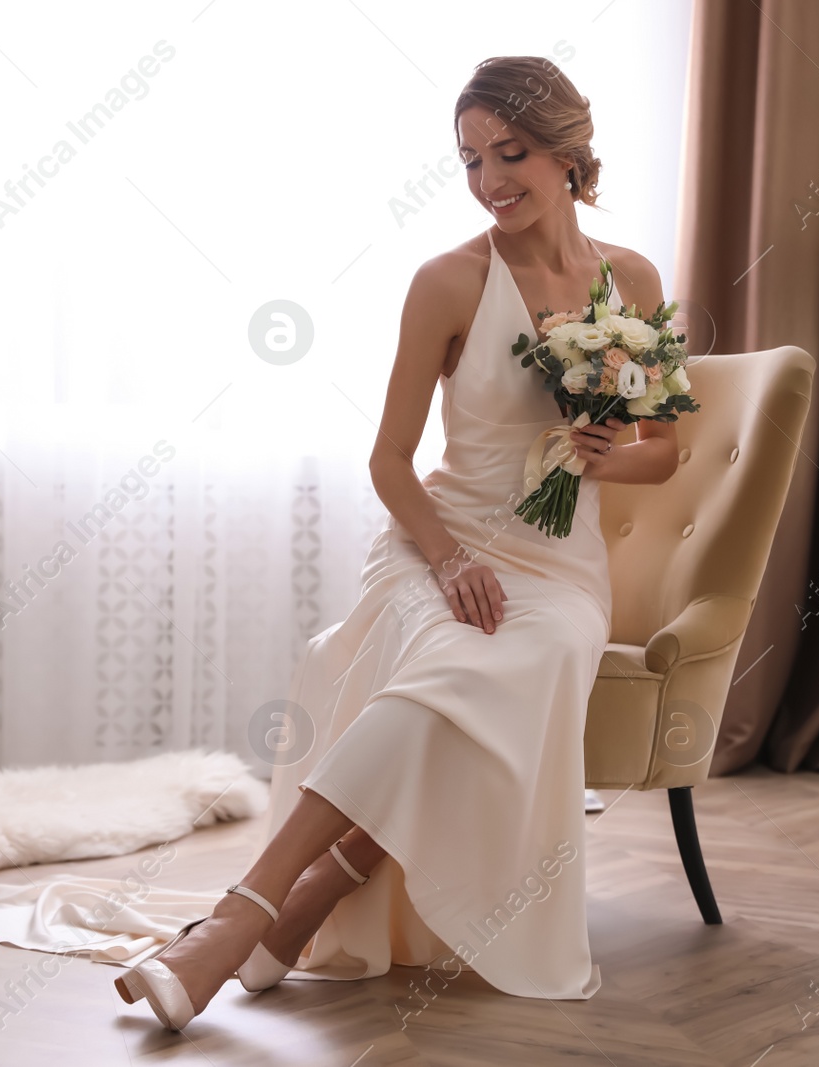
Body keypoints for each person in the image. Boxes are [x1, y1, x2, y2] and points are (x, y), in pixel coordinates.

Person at [114, 54, 679, 1032]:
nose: (489, 179)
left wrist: (600, 455)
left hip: (560, 570)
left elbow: (661, 451)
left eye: (512, 153)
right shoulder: (448, 282)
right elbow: (387, 460)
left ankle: (279, 911)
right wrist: (451, 560)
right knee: (447, 666)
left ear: (568, 155)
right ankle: (241, 918)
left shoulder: (630, 281)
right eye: (469, 159)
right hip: (437, 542)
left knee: (507, 661)